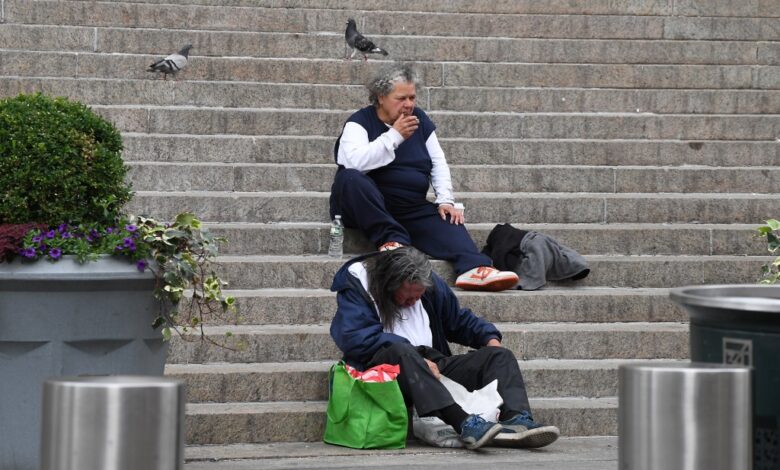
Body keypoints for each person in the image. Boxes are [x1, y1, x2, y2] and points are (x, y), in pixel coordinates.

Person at [330, 246, 560, 450]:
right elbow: (354, 337)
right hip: (384, 369)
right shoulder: (358, 284)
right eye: (408, 297)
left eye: (417, 297)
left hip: (432, 364)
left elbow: (457, 320)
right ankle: (464, 422)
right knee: (402, 352)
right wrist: (414, 355)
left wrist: (488, 337)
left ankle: (517, 420)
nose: (413, 302)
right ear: (390, 284)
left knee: (499, 356)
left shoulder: (428, 283)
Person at [329, 62, 518, 292]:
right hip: (366, 205)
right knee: (349, 178)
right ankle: (392, 241)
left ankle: (474, 267)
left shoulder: (419, 119)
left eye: (412, 97)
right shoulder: (359, 122)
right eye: (401, 98)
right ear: (380, 97)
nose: (408, 105)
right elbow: (353, 162)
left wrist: (445, 199)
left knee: (449, 217)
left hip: (409, 207)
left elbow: (438, 162)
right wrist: (394, 136)